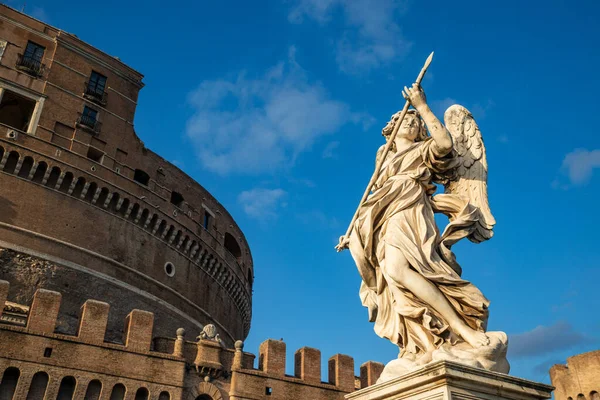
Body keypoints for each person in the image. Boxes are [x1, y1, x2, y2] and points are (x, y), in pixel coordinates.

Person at [342, 83, 490, 363]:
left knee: (399, 269)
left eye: (415, 121)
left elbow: (445, 145)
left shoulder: (423, 150)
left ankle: (462, 330)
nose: (411, 122)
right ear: (392, 129)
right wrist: (358, 235)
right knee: (393, 277)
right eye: (406, 119)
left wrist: (422, 105)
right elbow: (373, 196)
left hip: (409, 206)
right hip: (380, 215)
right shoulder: (383, 157)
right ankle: (422, 342)